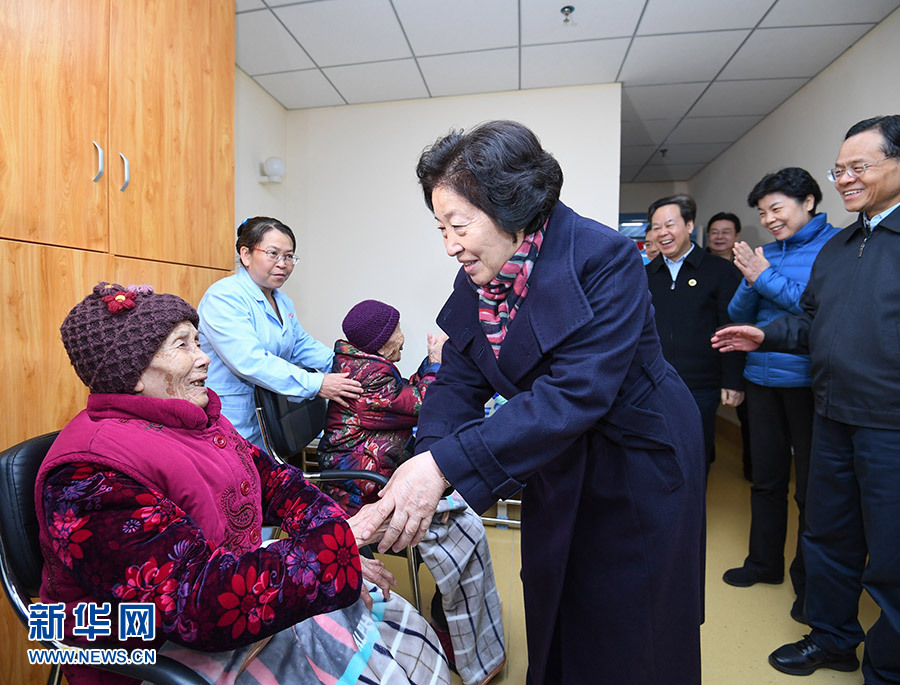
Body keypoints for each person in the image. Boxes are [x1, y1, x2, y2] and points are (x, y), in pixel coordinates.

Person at [361, 120, 707, 684]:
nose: (450, 245)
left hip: (638, 455)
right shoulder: (477, 278)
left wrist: (443, 466)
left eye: (459, 225)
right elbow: (458, 380)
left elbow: (577, 392)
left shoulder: (604, 257)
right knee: (558, 592)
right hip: (550, 448)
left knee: (633, 615)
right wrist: (424, 463)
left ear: (511, 206)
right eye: (440, 227)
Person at [37, 282, 451, 685]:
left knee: (394, 628)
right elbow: (194, 603)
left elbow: (276, 483)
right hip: (150, 651)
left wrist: (340, 535)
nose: (204, 359)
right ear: (132, 374)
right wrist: (334, 554)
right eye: (183, 345)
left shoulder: (195, 421)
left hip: (229, 597)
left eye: (198, 342)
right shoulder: (87, 474)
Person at [712, 115, 900, 683]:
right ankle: (833, 638)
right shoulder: (843, 246)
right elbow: (814, 323)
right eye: (839, 169)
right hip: (832, 411)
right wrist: (766, 336)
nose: (846, 179)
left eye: (859, 167)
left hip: (889, 424)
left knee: (892, 555)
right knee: (828, 533)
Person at [317, 299, 506, 685]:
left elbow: (404, 393)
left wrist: (430, 365)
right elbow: (421, 404)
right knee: (462, 529)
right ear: (383, 341)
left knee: (463, 518)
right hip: (361, 493)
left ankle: (456, 620)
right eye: (398, 330)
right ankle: (454, 628)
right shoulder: (368, 376)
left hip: (375, 478)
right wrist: (435, 362)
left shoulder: (367, 364)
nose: (403, 336)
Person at [722, 168, 838, 626]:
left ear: (808, 201)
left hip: (809, 384)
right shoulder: (765, 253)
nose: (769, 219)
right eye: (763, 212)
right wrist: (752, 279)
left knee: (810, 490)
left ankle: (807, 582)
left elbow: (817, 308)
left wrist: (764, 277)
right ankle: (763, 562)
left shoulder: (833, 247)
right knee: (766, 480)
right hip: (761, 379)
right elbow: (737, 312)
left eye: (776, 209)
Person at [198, 216, 362, 449]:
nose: (283, 264)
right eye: (273, 254)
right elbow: (250, 361)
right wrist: (317, 384)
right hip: (233, 417)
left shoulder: (282, 301)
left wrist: (350, 367)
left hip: (269, 412)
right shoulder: (224, 297)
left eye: (289, 256)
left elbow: (301, 346)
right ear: (246, 255)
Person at [646, 194, 745, 469]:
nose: (662, 233)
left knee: (695, 456)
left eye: (670, 224)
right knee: (656, 456)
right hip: (654, 383)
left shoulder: (720, 271)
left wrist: (733, 380)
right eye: (656, 227)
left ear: (689, 225)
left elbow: (731, 327)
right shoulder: (645, 275)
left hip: (701, 385)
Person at [705, 211, 753, 477]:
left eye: (726, 232)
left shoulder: (747, 268)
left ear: (737, 236)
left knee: (749, 417)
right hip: (708, 357)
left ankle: (751, 468)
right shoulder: (697, 267)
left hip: (743, 350)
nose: (719, 237)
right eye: (714, 232)